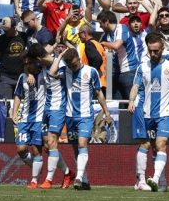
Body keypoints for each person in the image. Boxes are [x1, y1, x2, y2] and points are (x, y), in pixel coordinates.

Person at [127, 33, 169, 192]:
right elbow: (135, 86)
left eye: (156, 51)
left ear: (162, 48)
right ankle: (142, 180)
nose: (153, 54)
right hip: (146, 113)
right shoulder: (143, 67)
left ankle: (155, 179)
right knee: (147, 145)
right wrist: (132, 101)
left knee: (161, 144)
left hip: (164, 114)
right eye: (150, 51)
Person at [50, 48, 112, 190]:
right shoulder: (65, 71)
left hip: (85, 115)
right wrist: (59, 57)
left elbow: (99, 93)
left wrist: (106, 112)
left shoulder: (91, 72)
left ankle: (78, 177)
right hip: (70, 116)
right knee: (76, 148)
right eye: (70, 65)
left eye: (74, 64)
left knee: (82, 143)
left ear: (79, 58)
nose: (72, 67)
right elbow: (52, 73)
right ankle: (84, 180)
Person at [23, 44, 75, 189]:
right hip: (46, 109)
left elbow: (60, 75)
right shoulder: (43, 65)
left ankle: (49, 180)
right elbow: (27, 66)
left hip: (58, 108)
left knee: (52, 141)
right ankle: (67, 173)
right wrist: (30, 73)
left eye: (33, 61)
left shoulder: (61, 65)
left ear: (38, 58)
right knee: (47, 145)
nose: (32, 65)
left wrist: (60, 56)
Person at [12, 58, 47, 188]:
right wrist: (15, 112)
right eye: (25, 63)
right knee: (21, 149)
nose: (26, 65)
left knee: (36, 150)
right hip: (25, 119)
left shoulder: (44, 74)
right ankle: (35, 166)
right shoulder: (22, 77)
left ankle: (34, 180)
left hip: (39, 119)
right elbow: (17, 95)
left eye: (28, 63)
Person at [100, 14, 146, 100]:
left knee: (132, 103)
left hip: (129, 71)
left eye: (100, 23)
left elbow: (117, 45)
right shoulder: (107, 35)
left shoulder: (122, 28)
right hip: (116, 73)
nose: (99, 26)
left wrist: (103, 43)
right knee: (119, 105)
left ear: (106, 22)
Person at [0, 17, 27, 99]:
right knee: (6, 103)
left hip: (22, 76)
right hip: (6, 76)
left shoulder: (24, 37)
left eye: (7, 29)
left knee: (22, 104)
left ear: (14, 27)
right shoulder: (1, 39)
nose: (5, 31)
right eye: (4, 29)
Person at [77, 24, 107, 93]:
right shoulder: (97, 44)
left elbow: (98, 59)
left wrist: (89, 74)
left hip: (95, 82)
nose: (78, 37)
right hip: (102, 81)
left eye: (79, 34)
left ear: (84, 33)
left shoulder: (89, 44)